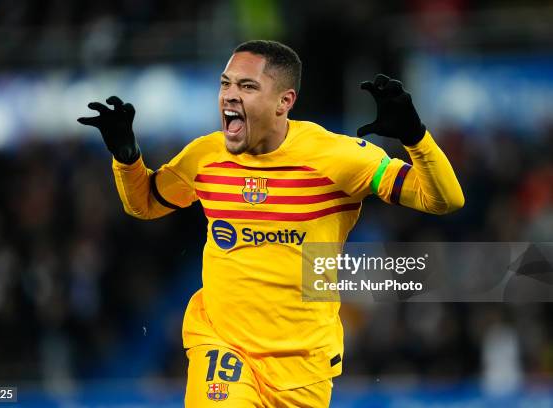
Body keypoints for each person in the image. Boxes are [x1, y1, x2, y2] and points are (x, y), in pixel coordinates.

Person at [78, 40, 464, 407]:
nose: (230, 95)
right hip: (223, 344)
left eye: (247, 86)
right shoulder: (205, 156)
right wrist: (127, 157)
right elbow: (145, 204)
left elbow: (445, 199)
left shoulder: (337, 158)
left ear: (284, 102)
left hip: (303, 364)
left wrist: (416, 137)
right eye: (225, 83)